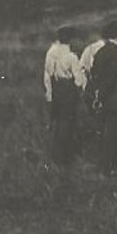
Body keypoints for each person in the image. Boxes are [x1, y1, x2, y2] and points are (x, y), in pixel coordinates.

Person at [88, 20, 117, 172]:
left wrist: (98, 95)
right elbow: (112, 78)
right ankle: (110, 167)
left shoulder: (101, 51)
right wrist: (102, 97)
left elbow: (95, 75)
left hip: (107, 100)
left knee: (113, 134)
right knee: (115, 135)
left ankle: (115, 166)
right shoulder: (114, 52)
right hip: (115, 101)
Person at [43, 25, 86, 164]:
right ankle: (65, 156)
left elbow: (47, 75)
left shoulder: (51, 52)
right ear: (70, 40)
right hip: (68, 90)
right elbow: (79, 80)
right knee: (68, 122)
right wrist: (80, 88)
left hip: (56, 89)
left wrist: (49, 94)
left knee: (58, 120)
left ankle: (57, 154)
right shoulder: (71, 57)